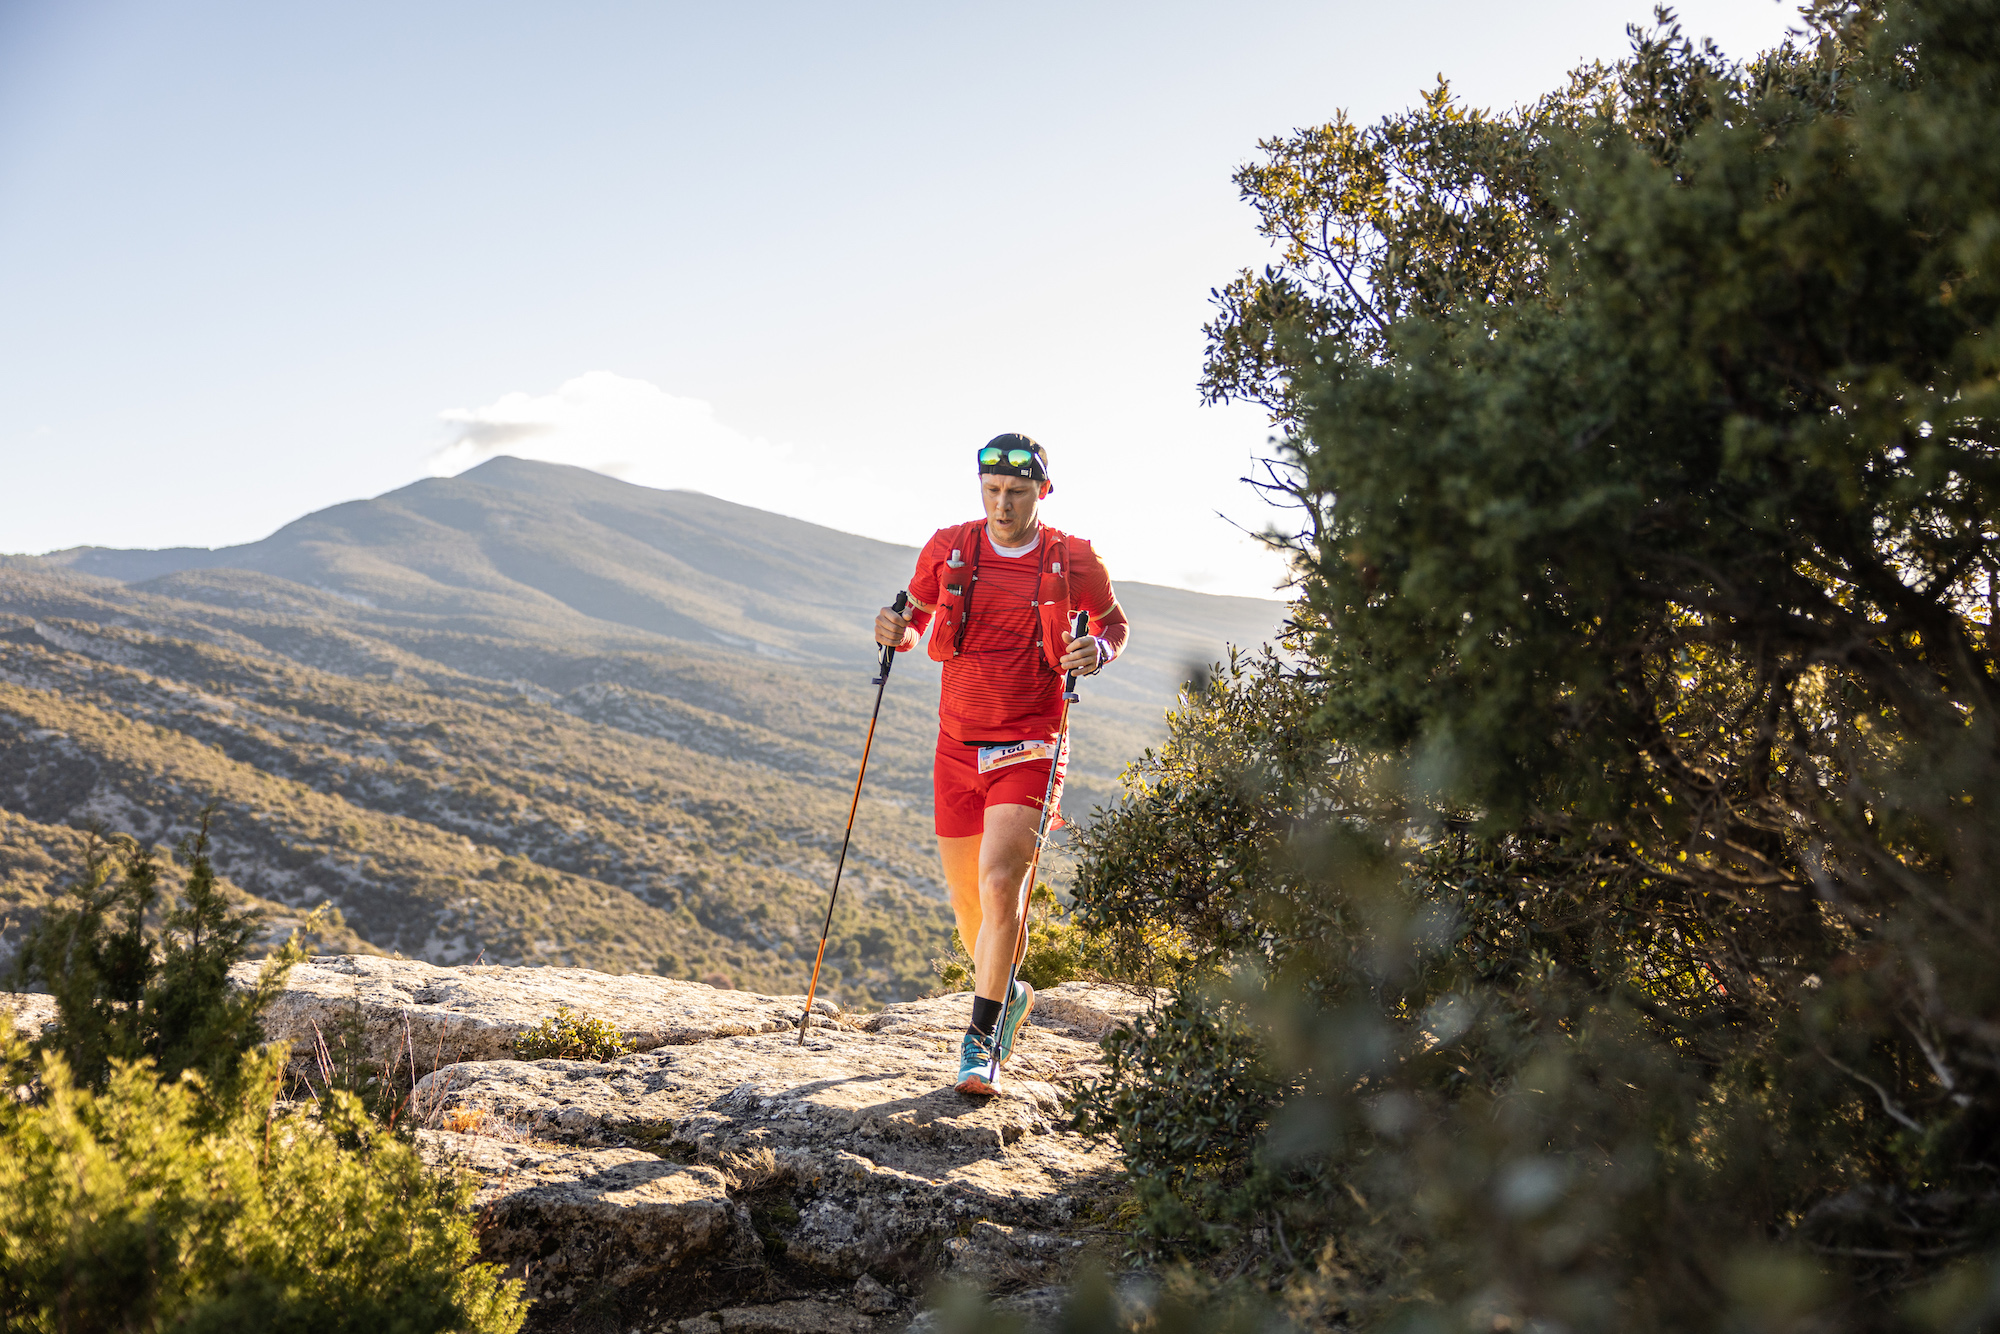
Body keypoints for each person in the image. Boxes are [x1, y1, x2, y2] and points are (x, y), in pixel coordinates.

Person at [874, 434, 1130, 1095]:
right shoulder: (950, 547)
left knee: (997, 888)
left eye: (1017, 492)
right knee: (968, 905)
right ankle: (1010, 992)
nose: (1003, 504)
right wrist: (893, 631)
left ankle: (980, 1045)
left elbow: (1114, 624)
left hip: (1031, 745)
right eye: (992, 490)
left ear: (1042, 492)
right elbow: (915, 619)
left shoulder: (1072, 557)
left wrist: (1097, 651)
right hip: (955, 748)